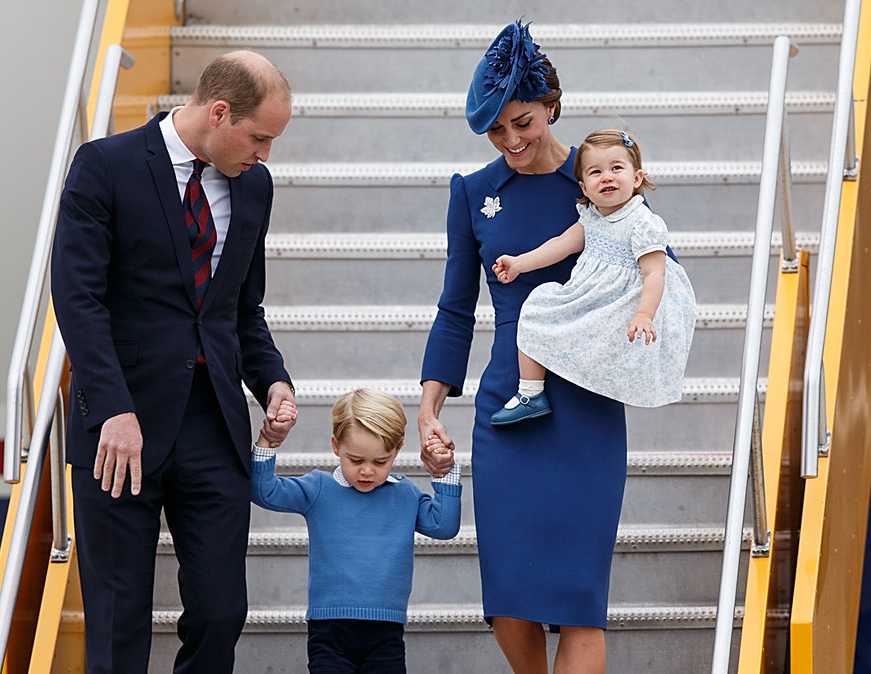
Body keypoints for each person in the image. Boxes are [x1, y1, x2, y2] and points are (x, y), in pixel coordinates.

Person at [50, 51, 298, 673]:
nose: (265, 154)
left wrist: (273, 382)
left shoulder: (254, 186)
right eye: (260, 136)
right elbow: (77, 300)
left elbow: (242, 311)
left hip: (212, 427)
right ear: (219, 111)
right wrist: (111, 409)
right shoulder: (104, 166)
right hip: (119, 429)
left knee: (220, 612)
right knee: (117, 624)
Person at [418, 20, 626, 674]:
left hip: (587, 406)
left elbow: (658, 268)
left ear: (552, 108)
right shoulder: (474, 192)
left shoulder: (598, 178)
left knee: (578, 602)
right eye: (496, 128)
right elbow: (455, 309)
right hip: (509, 406)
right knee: (508, 598)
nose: (511, 140)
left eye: (524, 122)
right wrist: (430, 407)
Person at [489, 128, 697, 424]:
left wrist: (644, 314)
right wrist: (520, 264)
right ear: (584, 188)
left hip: (626, 302)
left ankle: (598, 379)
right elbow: (562, 244)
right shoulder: (592, 216)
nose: (607, 177)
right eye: (596, 172)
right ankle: (531, 393)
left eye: (616, 168)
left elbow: (654, 274)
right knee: (538, 307)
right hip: (593, 296)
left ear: (636, 178)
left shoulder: (642, 223)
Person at [251, 389, 462, 673]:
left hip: (386, 631)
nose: (367, 472)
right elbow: (264, 491)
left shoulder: (405, 494)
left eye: (380, 462)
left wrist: (444, 473)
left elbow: (444, 526)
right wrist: (269, 441)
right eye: (356, 460)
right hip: (329, 631)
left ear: (397, 450)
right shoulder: (318, 489)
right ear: (336, 446)